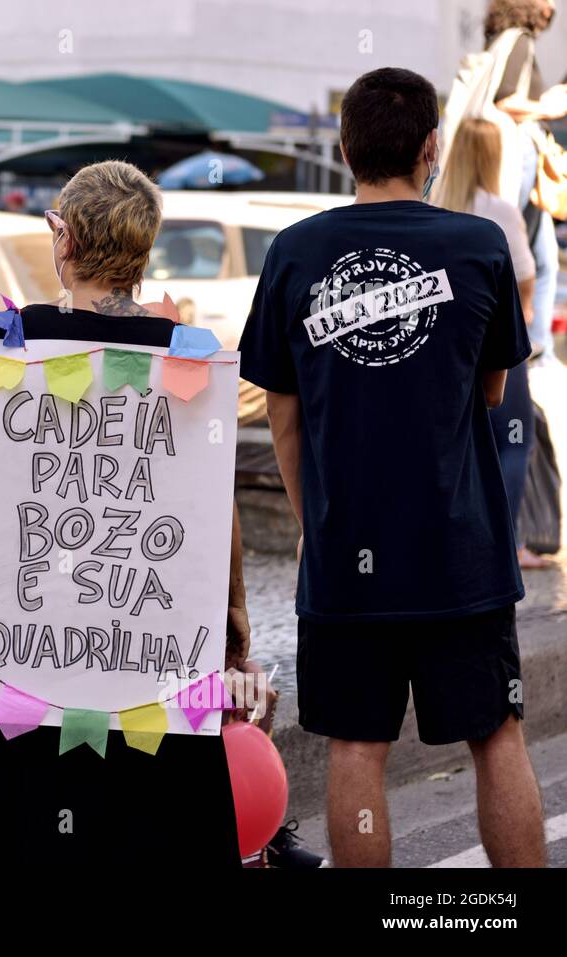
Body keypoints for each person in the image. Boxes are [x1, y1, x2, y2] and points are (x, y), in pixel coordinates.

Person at [0, 160, 251, 868]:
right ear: (144, 250)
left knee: (43, 831)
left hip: (35, 654)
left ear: (61, 237)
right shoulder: (188, 359)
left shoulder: (19, 344)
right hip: (156, 654)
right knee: (157, 826)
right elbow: (215, 500)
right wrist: (234, 609)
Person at [239, 67, 546, 867]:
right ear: (431, 148)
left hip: (350, 557)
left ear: (344, 150)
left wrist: (318, 526)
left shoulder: (296, 251)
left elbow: (281, 411)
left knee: (356, 745)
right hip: (463, 551)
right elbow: (492, 387)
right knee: (497, 734)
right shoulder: (477, 244)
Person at [434, 117, 551, 570]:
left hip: (443, 345)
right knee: (513, 442)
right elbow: (525, 279)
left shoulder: (437, 204)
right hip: (494, 341)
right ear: (492, 156)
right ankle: (508, 543)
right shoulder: (499, 210)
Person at [487, 0, 566, 364]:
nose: (552, 6)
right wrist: (548, 108)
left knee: (544, 258)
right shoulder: (518, 39)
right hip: (520, 157)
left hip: (522, 158)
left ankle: (537, 349)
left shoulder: (507, 39)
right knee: (522, 254)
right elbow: (505, 98)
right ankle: (528, 351)